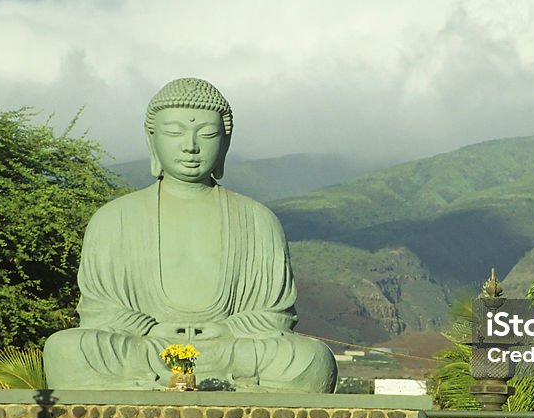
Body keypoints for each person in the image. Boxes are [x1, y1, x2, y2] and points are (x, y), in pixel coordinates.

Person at [43, 78, 337, 392]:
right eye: (174, 132)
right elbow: (98, 312)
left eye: (208, 134)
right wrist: (151, 329)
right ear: (151, 139)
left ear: (225, 142)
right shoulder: (113, 219)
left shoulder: (257, 220)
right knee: (68, 349)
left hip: (228, 351)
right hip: (145, 349)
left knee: (311, 357)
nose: (191, 146)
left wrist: (226, 329)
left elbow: (276, 317)